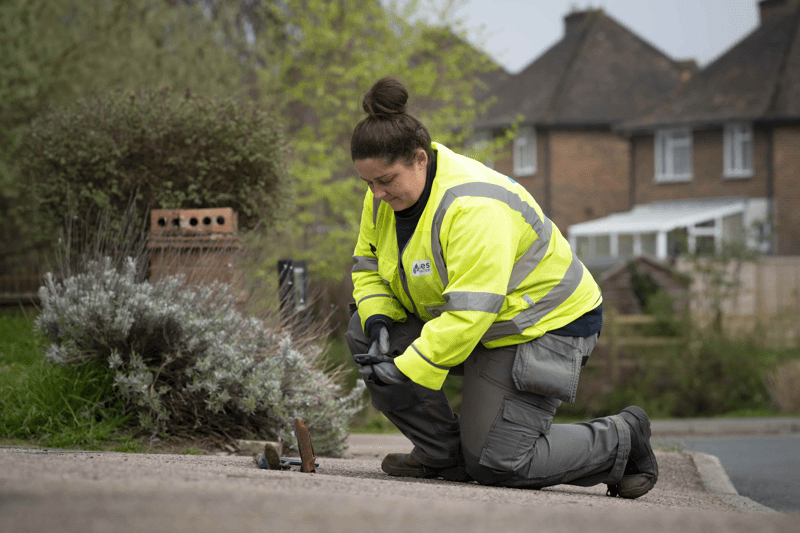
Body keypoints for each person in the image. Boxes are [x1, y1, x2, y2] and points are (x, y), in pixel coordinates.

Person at [345, 76, 658, 498]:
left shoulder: (474, 207)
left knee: (498, 463)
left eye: (385, 180)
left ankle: (622, 438)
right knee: (363, 330)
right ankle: (444, 455)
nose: (377, 194)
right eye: (368, 183)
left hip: (543, 326)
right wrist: (380, 319)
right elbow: (367, 266)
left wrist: (405, 366)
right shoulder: (385, 196)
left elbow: (470, 314)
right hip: (479, 323)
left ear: (420, 158)